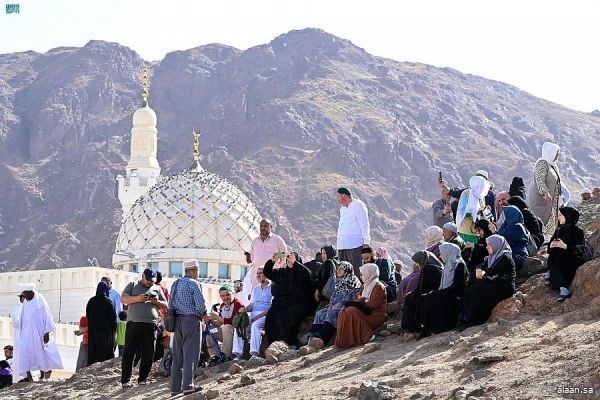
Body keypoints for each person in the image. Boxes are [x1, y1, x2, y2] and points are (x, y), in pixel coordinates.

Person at [120, 269, 167, 388]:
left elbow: (166, 305)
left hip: (151, 325)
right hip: (134, 324)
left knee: (148, 352)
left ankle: (142, 379)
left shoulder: (157, 288)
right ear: (143, 276)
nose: (149, 283)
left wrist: (156, 302)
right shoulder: (133, 285)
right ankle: (125, 380)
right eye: (148, 280)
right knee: (129, 352)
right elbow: (124, 299)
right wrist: (138, 298)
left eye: (152, 281)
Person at [169, 259, 206, 396]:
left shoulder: (175, 283)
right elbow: (201, 305)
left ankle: (175, 387)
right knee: (191, 354)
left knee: (177, 355)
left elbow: (169, 304)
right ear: (195, 270)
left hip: (176, 321)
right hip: (191, 320)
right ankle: (188, 385)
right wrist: (204, 315)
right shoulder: (194, 284)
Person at [461, 235, 516, 325]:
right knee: (470, 289)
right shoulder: (493, 255)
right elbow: (483, 264)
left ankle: (476, 319)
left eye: (489, 245)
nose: (487, 247)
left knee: (478, 291)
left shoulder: (505, 256)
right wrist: (479, 268)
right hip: (495, 282)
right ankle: (466, 317)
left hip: (504, 286)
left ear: (496, 244)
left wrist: (482, 272)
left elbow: (492, 271)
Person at [263, 253, 313, 350]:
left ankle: (291, 343)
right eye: (288, 258)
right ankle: (272, 345)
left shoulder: (301, 271)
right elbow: (268, 272)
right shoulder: (282, 272)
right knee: (271, 316)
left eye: (292, 259)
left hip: (298, 303)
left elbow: (308, 274)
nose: (289, 260)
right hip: (281, 303)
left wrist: (295, 264)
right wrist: (271, 261)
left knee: (291, 314)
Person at [419, 243, 468, 339]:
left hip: (455, 296)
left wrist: (442, 292)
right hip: (447, 293)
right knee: (425, 297)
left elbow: (458, 285)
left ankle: (438, 327)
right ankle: (427, 327)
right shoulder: (448, 265)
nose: (440, 256)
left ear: (448, 253)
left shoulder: (460, 265)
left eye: (442, 253)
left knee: (433, 297)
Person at [309, 261, 361, 349]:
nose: (338, 271)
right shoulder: (339, 281)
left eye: (341, 269)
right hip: (334, 305)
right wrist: (331, 304)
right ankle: (313, 336)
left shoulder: (353, 281)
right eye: (337, 269)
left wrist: (336, 305)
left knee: (332, 313)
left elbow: (349, 298)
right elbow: (333, 295)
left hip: (345, 306)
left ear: (347, 270)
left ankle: (322, 338)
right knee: (320, 313)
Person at [335, 263, 387, 349]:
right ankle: (344, 341)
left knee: (351, 311)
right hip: (365, 310)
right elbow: (357, 299)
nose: (360, 276)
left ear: (369, 273)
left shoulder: (378, 287)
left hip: (376, 315)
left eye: (362, 274)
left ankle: (368, 336)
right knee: (343, 311)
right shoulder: (365, 285)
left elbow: (372, 305)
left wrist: (362, 299)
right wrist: (363, 299)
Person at [18, 283, 63, 381]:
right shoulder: (26, 302)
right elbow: (23, 318)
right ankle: (29, 378)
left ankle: (44, 374)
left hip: (40, 332)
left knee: (42, 353)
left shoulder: (40, 300)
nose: (24, 295)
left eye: (25, 293)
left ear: (31, 292)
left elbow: (47, 316)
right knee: (26, 353)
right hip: (27, 333)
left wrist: (47, 332)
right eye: (23, 293)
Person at [546, 207, 586, 302]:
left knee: (558, 261)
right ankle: (561, 287)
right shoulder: (559, 230)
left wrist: (565, 246)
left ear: (568, 216)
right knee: (554, 258)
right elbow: (549, 250)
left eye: (561, 215)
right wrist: (551, 246)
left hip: (572, 260)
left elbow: (580, 250)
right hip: (558, 260)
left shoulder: (578, 231)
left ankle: (563, 289)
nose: (558, 217)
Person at [400, 252, 443, 335]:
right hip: (433, 293)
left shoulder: (427, 269)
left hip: (428, 295)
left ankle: (410, 327)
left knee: (409, 299)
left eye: (418, 262)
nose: (417, 265)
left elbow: (422, 287)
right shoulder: (436, 266)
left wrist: (412, 294)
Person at [528, 142, 562, 236]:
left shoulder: (552, 165)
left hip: (550, 203)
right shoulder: (542, 163)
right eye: (556, 153)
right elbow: (539, 179)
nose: (557, 155)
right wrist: (545, 193)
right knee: (541, 222)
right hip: (542, 201)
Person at [336, 187, 371, 276]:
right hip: (342, 245)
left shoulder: (358, 205)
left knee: (356, 272)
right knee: (343, 273)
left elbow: (364, 225)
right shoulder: (342, 209)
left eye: (338, 197)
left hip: (355, 246)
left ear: (344, 196)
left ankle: (357, 290)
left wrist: (366, 243)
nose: (338, 200)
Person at [204, 285, 245, 360]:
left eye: (228, 295)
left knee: (226, 327)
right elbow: (220, 323)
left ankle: (226, 355)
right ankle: (215, 356)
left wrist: (217, 317)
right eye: (223, 296)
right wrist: (211, 320)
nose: (225, 297)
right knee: (211, 331)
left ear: (233, 294)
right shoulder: (223, 305)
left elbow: (233, 321)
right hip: (225, 333)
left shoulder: (238, 304)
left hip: (235, 334)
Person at [241, 266, 272, 356]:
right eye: (257, 273)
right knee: (239, 325)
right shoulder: (255, 288)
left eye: (260, 273)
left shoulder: (273, 288)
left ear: (266, 273)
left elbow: (271, 308)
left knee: (255, 325)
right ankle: (237, 353)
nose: (258, 275)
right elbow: (251, 305)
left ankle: (254, 353)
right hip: (253, 315)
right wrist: (245, 309)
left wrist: (257, 317)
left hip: (265, 316)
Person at [86, 282, 117, 366]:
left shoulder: (91, 301)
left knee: (94, 352)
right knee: (105, 355)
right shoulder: (108, 302)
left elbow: (88, 315)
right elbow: (113, 318)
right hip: (106, 333)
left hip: (93, 333)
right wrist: (113, 330)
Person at [456, 175, 491, 245]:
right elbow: (461, 210)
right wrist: (472, 213)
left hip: (477, 230)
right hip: (465, 228)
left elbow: (481, 206)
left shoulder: (481, 195)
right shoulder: (466, 193)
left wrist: (484, 211)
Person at [496, 205, 529, 269]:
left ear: (512, 214)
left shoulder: (517, 227)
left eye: (507, 214)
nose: (505, 216)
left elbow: (504, 240)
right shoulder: (506, 224)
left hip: (518, 256)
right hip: (508, 254)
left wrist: (494, 231)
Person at [10, 290, 24, 383]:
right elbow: (15, 322)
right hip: (20, 336)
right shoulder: (17, 308)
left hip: (28, 336)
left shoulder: (29, 308)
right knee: (20, 356)